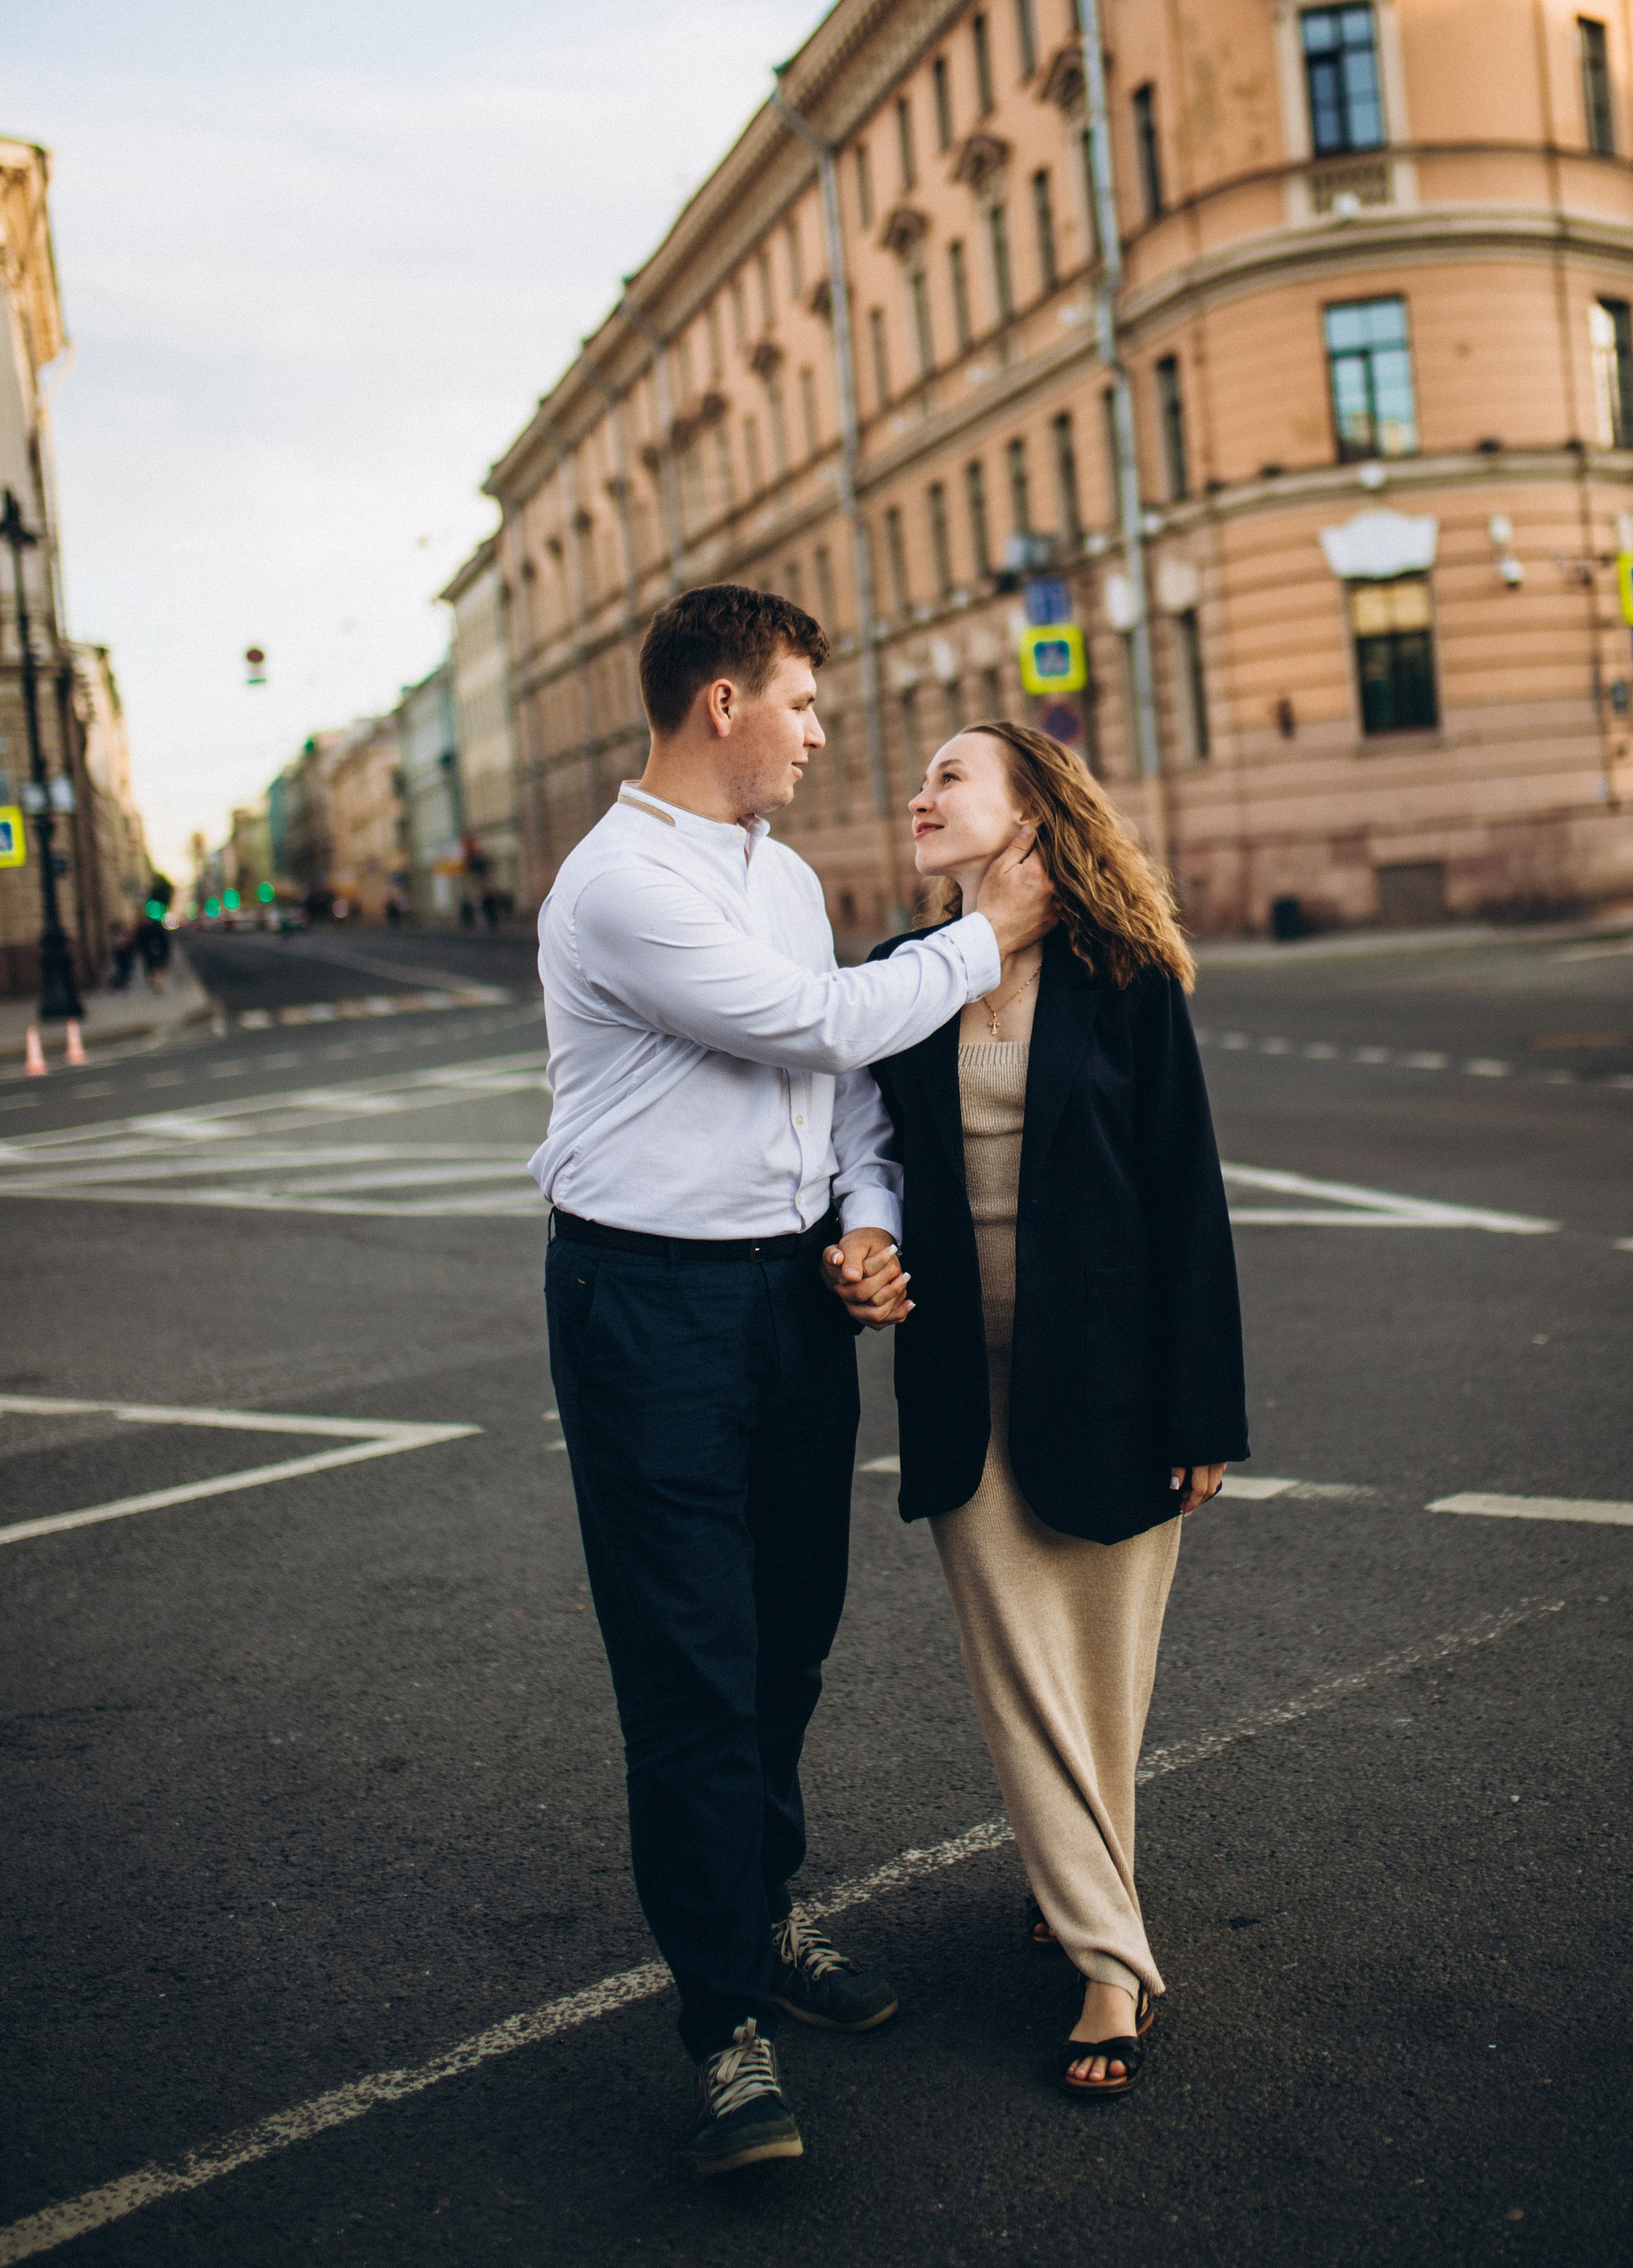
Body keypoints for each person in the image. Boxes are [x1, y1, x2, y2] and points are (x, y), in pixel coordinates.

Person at [531, 586, 1053, 2176]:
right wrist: (994, 932)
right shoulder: (620, 883)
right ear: (718, 705)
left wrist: (861, 1227)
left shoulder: (768, 874)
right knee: (690, 1673)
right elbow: (821, 1027)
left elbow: (830, 1114)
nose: (822, 734)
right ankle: (719, 2026)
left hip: (785, 1307)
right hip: (649, 1311)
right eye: (802, 705)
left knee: (784, 1646)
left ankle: (756, 1924)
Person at [837, 721, 1248, 2101]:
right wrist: (862, 1241)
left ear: (1027, 815)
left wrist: (1203, 1408)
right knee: (1021, 1679)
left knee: (1103, 1683)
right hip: (966, 1389)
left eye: (949, 776)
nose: (918, 794)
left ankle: (1073, 1889)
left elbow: (1186, 1197)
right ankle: (1105, 1960)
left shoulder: (1119, 977)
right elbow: (865, 1150)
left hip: (1118, 1386)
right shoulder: (905, 979)